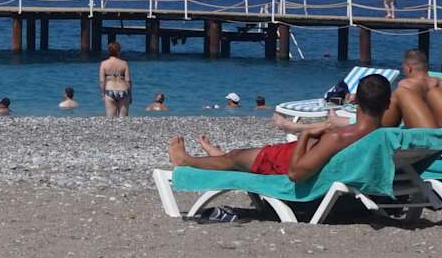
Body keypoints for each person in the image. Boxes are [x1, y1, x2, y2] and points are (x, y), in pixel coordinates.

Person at [169, 76, 394, 181]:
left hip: (289, 160)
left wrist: (305, 135)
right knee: (235, 157)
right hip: (312, 156)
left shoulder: (339, 137)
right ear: (387, 104)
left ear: (355, 101)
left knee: (236, 157)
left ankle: (186, 160)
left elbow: (295, 174)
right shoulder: (386, 134)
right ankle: (219, 157)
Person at [99, 42, 131, 117]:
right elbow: (128, 80)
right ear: (119, 51)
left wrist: (103, 94)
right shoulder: (124, 63)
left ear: (109, 51)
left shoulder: (104, 63)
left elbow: (102, 81)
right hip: (123, 90)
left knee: (111, 119)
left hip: (110, 90)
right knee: (123, 119)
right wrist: (130, 95)